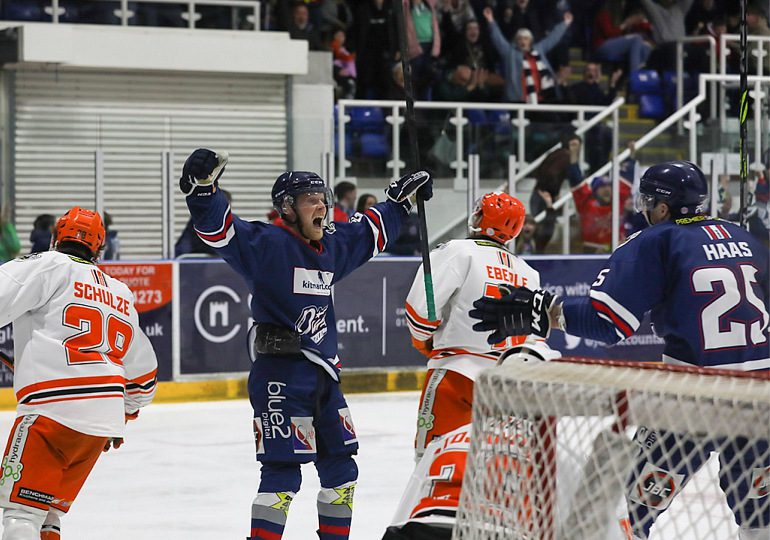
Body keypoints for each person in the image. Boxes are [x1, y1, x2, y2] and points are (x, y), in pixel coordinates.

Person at [469, 161, 770, 540]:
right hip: (760, 399)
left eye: (647, 200)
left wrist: (542, 312)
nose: (643, 208)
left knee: (623, 511)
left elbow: (606, 323)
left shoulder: (656, 240)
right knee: (760, 517)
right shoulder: (745, 238)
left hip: (692, 401)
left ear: (662, 206)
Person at [179, 148, 432, 540]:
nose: (322, 206)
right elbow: (218, 228)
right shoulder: (266, 244)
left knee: (343, 470)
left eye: (324, 198)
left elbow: (368, 232)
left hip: (325, 379)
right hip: (279, 377)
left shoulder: (330, 245)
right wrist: (202, 189)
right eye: (310, 199)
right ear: (287, 208)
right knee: (282, 476)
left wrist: (398, 203)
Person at [0, 206, 158, 540]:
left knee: (21, 515)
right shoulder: (120, 292)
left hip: (50, 414)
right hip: (100, 425)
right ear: (99, 248)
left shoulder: (44, 265)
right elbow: (144, 374)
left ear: (56, 238)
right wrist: (125, 411)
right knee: (49, 517)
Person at [405, 192, 558, 460]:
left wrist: (422, 340)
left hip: (456, 376)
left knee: (434, 463)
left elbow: (421, 314)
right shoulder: (529, 273)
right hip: (509, 385)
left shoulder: (456, 251)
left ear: (481, 218)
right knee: (493, 472)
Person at [483, 6, 572, 103]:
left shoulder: (539, 49)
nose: (522, 41)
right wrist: (490, 20)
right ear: (516, 41)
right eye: (520, 38)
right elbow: (498, 39)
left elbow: (552, 38)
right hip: (518, 99)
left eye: (525, 38)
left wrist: (565, 24)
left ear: (530, 41)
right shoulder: (510, 52)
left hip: (542, 98)